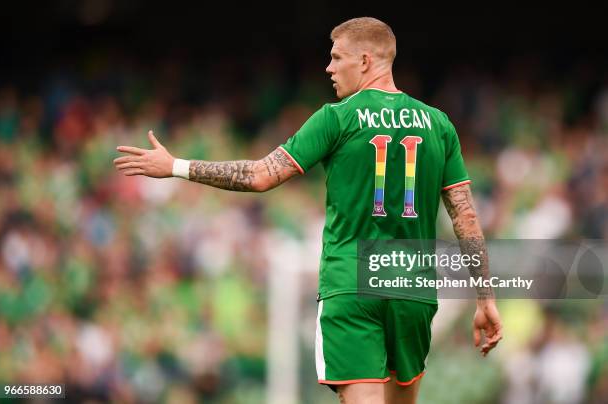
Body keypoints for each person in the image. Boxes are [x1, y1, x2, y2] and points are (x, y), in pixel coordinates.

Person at [113, 16, 502, 404]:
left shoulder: (337, 117)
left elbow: (261, 175)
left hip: (351, 284)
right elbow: (464, 216)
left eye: (336, 57)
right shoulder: (439, 125)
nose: (328, 68)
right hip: (411, 289)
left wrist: (177, 166)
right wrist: (485, 298)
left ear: (365, 61)